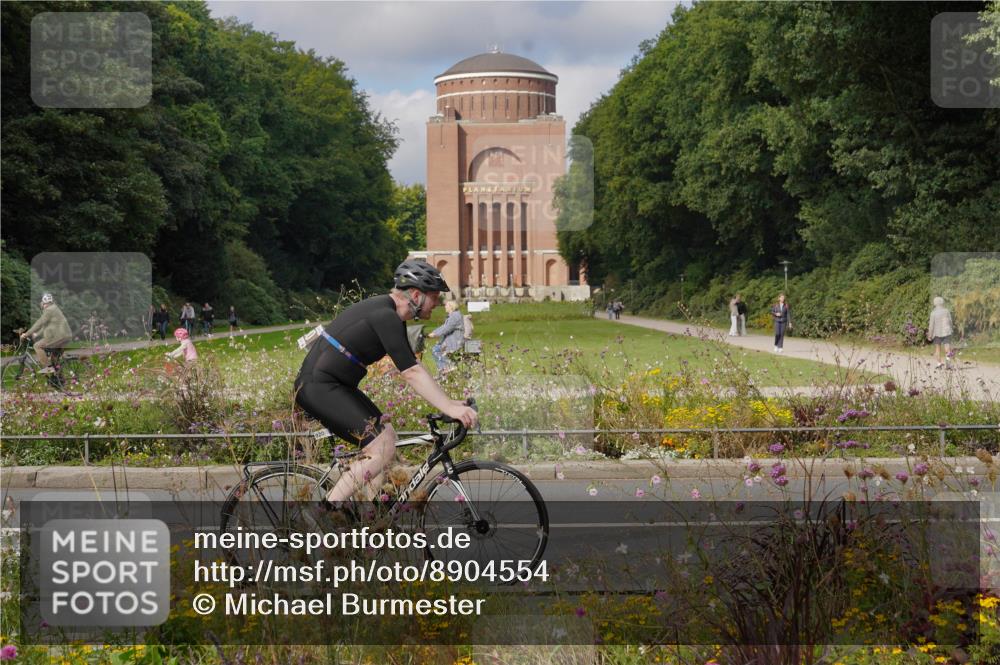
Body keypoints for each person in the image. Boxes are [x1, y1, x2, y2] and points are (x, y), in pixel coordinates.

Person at [294, 260, 478, 507]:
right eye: (434, 297)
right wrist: (450, 409)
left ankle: (370, 520)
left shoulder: (391, 316)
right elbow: (411, 372)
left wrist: (449, 402)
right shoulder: (385, 316)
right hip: (320, 387)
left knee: (386, 437)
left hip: (334, 386)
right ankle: (326, 512)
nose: (437, 303)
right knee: (382, 446)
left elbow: (413, 364)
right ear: (416, 295)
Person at [20, 293, 73, 373]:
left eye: (42, 303)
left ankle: (48, 368)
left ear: (44, 303)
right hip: (65, 336)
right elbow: (46, 325)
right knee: (54, 360)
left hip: (58, 337)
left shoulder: (49, 310)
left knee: (37, 346)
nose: (41, 305)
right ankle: (58, 380)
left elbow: (40, 323)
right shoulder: (54, 308)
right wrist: (37, 334)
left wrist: (26, 334)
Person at [428, 300, 465, 374]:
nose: (445, 307)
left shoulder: (455, 316)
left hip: (454, 342)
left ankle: (447, 367)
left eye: (446, 305)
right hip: (451, 341)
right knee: (437, 348)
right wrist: (433, 332)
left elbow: (447, 328)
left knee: (436, 350)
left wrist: (435, 334)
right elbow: (444, 326)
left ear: (451, 307)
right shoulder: (453, 315)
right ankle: (445, 370)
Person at [927, 296, 955, 369]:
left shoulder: (933, 313)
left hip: (937, 333)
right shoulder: (946, 311)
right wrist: (951, 329)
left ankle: (939, 364)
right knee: (947, 348)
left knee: (937, 349)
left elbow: (931, 325)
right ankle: (948, 364)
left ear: (935, 303)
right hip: (946, 332)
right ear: (942, 302)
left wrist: (930, 335)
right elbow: (950, 321)